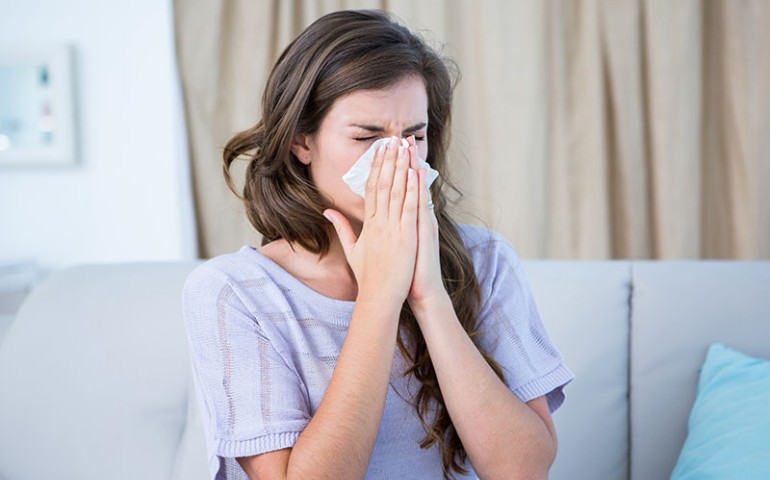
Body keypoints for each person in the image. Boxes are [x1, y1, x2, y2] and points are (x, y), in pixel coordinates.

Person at [183, 9, 573, 480]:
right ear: (301, 141)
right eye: (367, 136)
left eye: (415, 135)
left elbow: (523, 470)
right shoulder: (234, 294)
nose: (396, 159)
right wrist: (379, 297)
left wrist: (428, 297)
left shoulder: (485, 260)